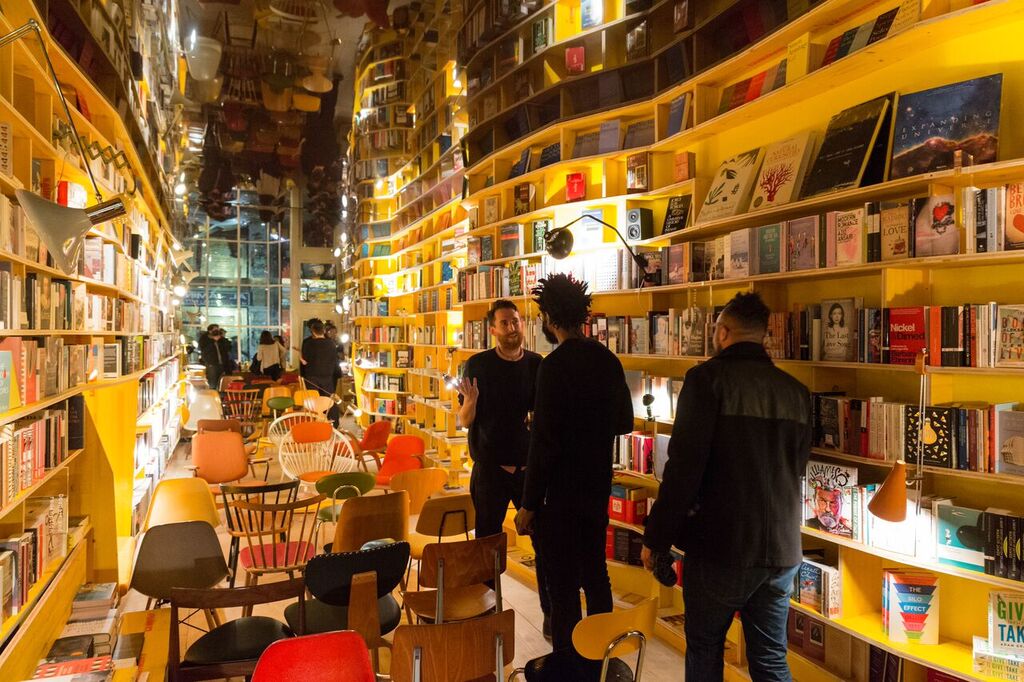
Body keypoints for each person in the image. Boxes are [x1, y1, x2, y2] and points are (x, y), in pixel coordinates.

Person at [641, 292, 812, 682]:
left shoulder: (706, 380)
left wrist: (656, 539)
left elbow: (683, 470)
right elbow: (797, 467)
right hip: (782, 550)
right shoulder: (796, 392)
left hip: (722, 546)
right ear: (763, 335)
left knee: (705, 649)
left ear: (722, 332)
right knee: (769, 660)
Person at [514, 274, 633, 653]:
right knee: (596, 575)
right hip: (596, 485)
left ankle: (568, 663)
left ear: (548, 317)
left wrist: (529, 504)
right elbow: (625, 422)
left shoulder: (552, 366)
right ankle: (601, 656)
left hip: (558, 496)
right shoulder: (607, 360)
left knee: (563, 585)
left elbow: (544, 443)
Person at [455, 300, 550, 635]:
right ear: (492, 329)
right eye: (505, 323)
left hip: (529, 471)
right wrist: (472, 403)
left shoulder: (539, 365)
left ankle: (551, 616)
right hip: (490, 470)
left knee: (544, 544)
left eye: (516, 321)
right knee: (487, 546)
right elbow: (465, 421)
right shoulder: (477, 365)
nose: (512, 328)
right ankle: (486, 615)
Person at [301, 320, 341, 423]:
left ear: (313, 331)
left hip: (312, 377)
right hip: (327, 377)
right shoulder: (331, 344)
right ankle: (333, 423)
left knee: (313, 402)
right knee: (329, 401)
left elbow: (305, 361)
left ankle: (315, 423)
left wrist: (301, 360)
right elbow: (334, 360)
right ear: (323, 331)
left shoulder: (309, 343)